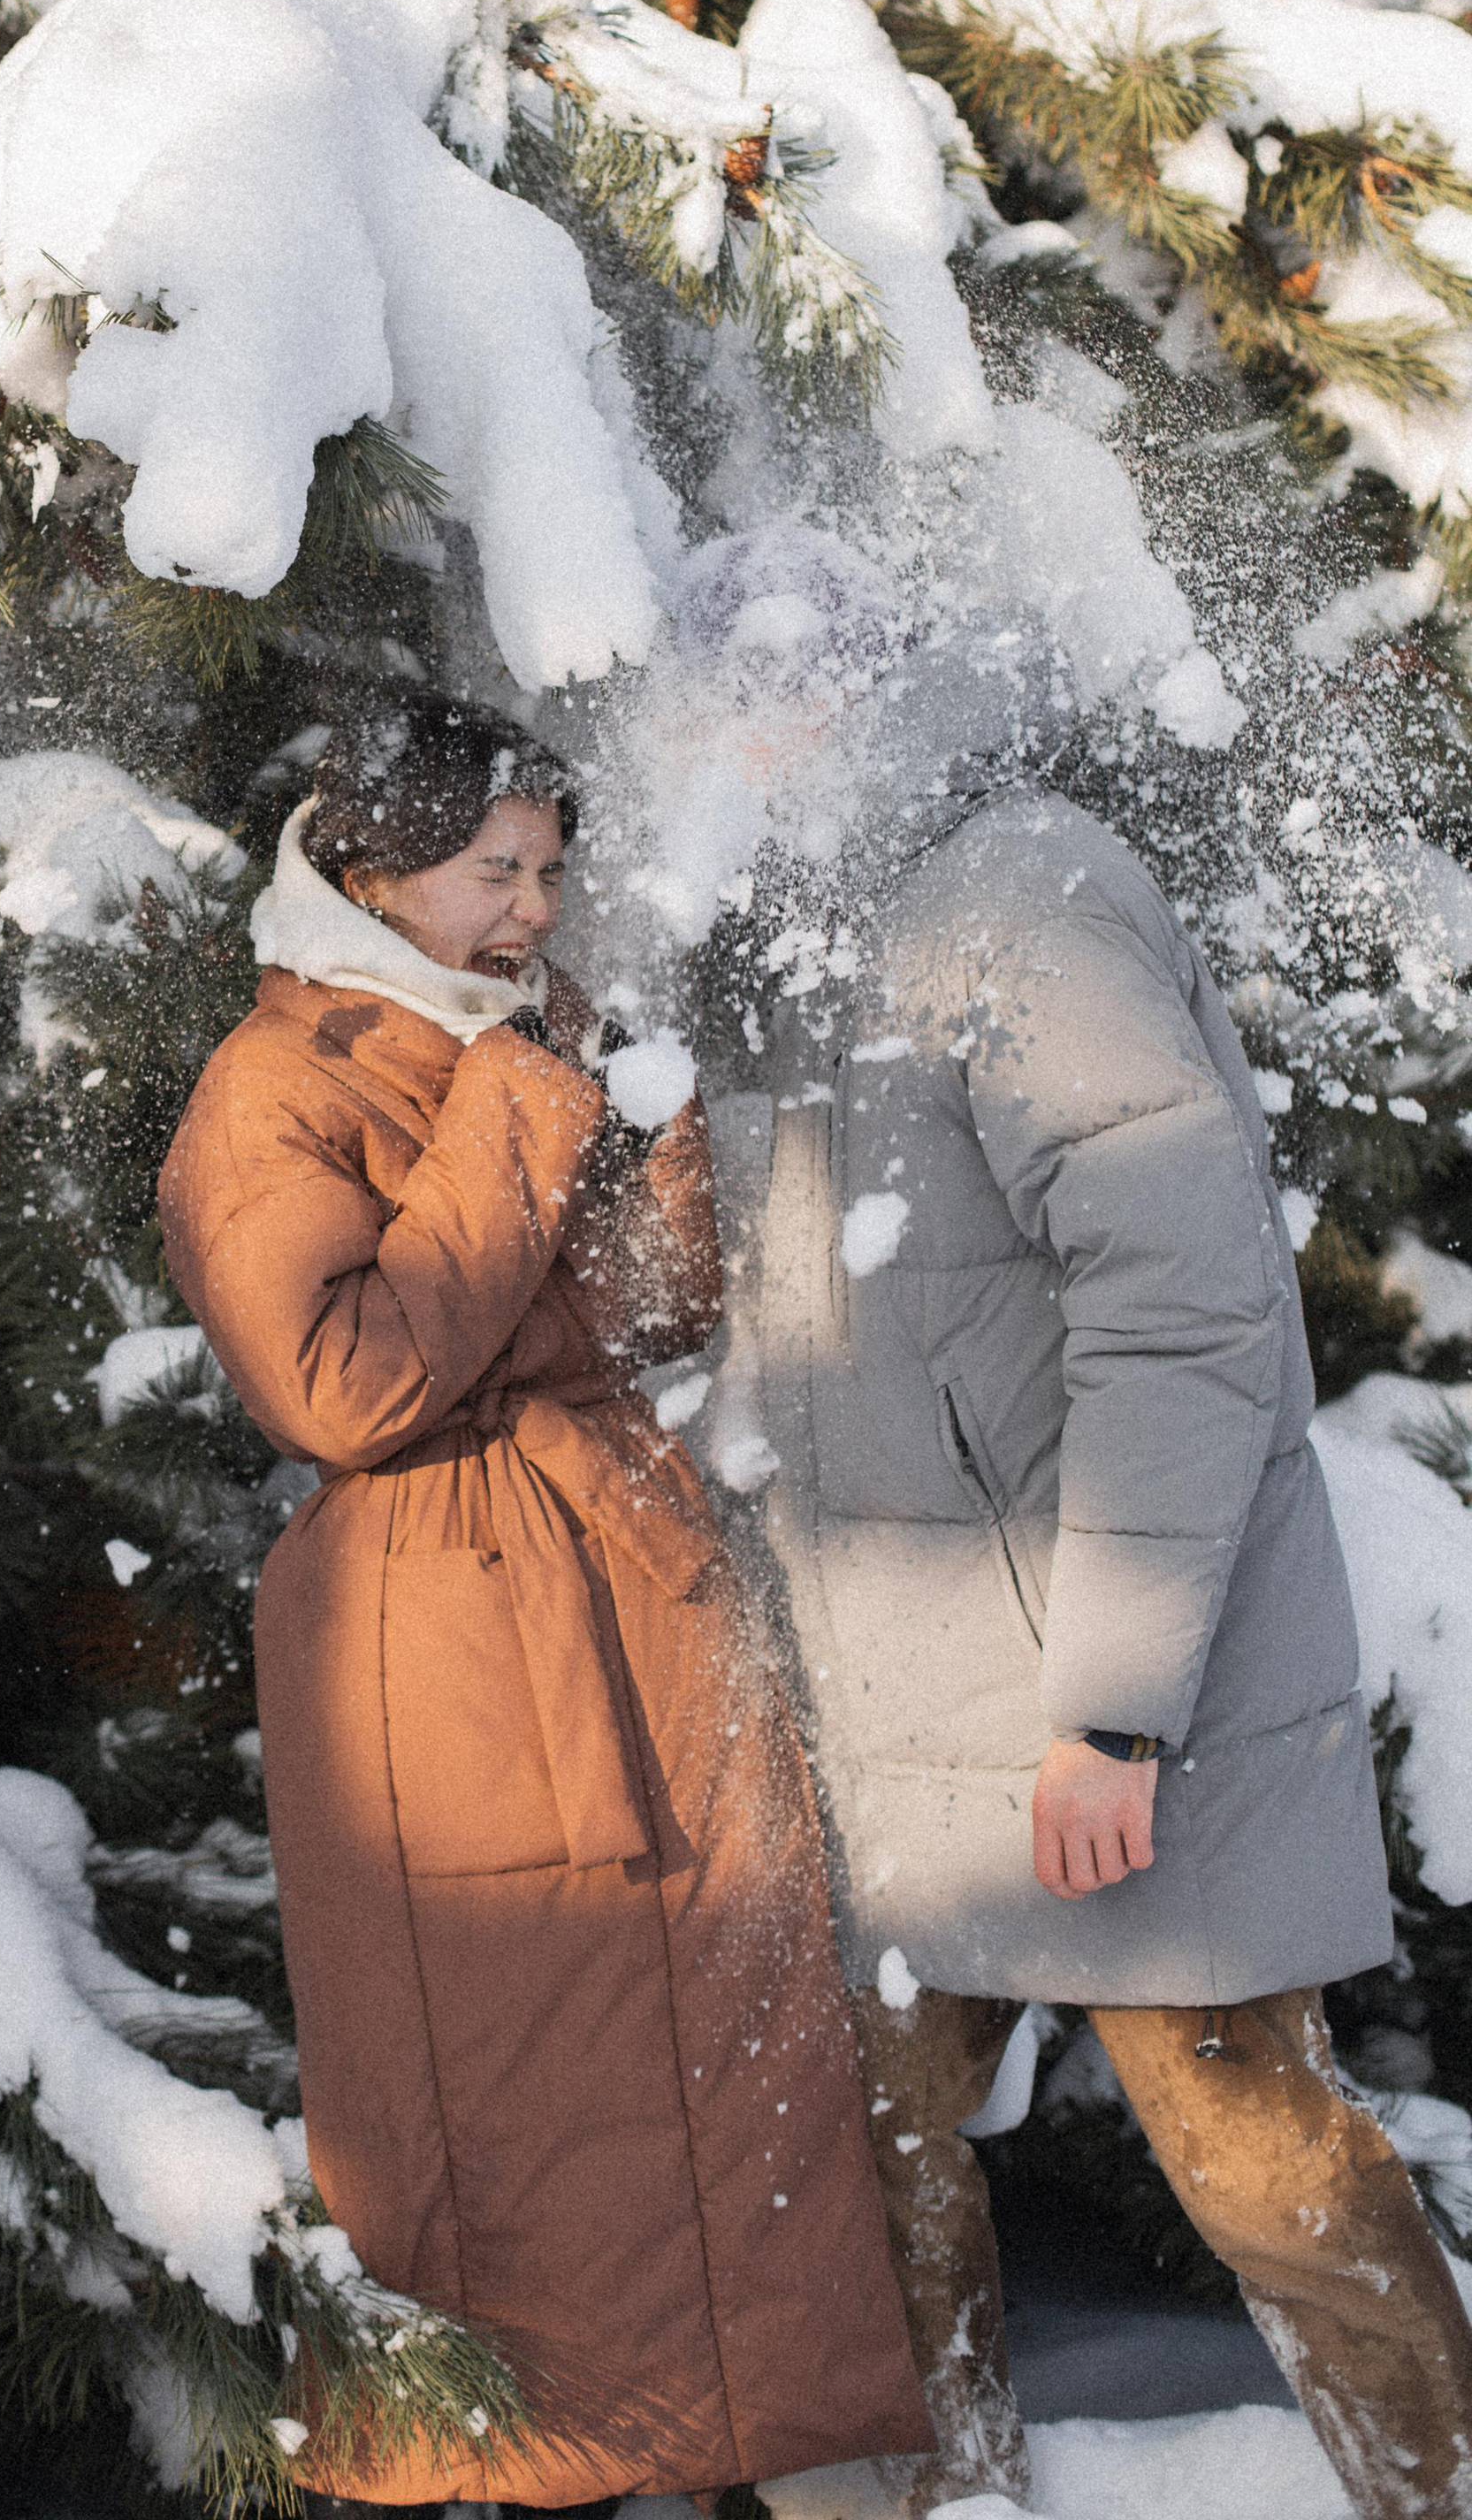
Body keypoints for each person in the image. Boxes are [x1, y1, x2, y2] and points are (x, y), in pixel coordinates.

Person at [668, 528, 1472, 2520]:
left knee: (1253, 2154)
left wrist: (1108, 1708)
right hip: (890, 1707)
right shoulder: (783, 933)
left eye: (801, 685)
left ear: (880, 690)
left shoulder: (1015, 904)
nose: (766, 730)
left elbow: (1185, 1317)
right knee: (860, 2150)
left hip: (1106, 1695)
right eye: (729, 694)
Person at [157, 692, 930, 2511]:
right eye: (490, 870)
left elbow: (649, 1316)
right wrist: (516, 1102)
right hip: (444, 1644)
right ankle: (509, 2476)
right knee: (518, 2093)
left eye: (546, 872)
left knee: (717, 2049)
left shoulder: (526, 1035)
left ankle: (737, 2460)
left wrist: (638, 1127)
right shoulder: (268, 1088)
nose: (529, 907)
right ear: (369, 863)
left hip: (632, 1588)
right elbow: (340, 1382)